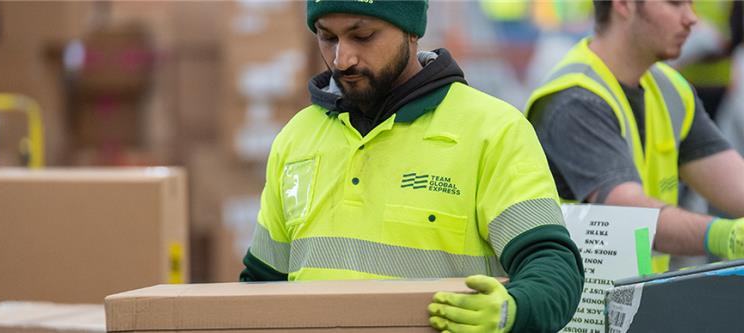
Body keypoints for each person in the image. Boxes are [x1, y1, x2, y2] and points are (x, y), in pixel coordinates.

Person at [240, 1, 583, 332]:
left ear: (411, 32)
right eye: (327, 37)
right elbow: (261, 285)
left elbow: (552, 267)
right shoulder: (296, 138)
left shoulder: (492, 131)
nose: (342, 58)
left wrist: (513, 309)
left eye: (363, 36)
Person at [525, 0, 744, 272]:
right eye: (675, 3)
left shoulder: (670, 89)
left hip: (644, 302)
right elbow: (630, 215)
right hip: (584, 309)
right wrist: (727, 236)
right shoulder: (575, 99)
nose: (691, 18)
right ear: (624, 4)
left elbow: (735, 183)